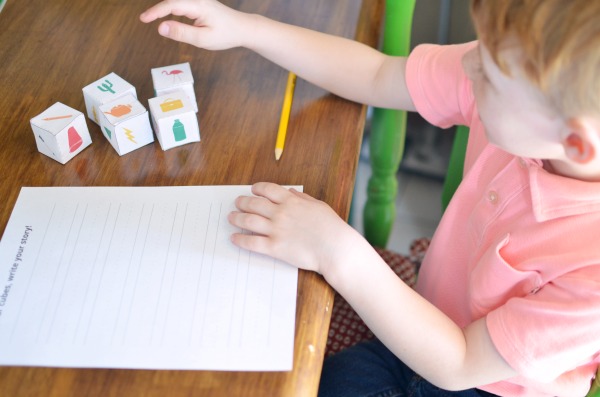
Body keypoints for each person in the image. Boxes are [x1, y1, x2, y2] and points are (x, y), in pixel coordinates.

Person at [140, 1, 600, 395]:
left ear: (576, 143)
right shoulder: (521, 82)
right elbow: (380, 73)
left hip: (477, 378)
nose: (469, 65)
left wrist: (336, 249)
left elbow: (460, 364)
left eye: (490, 77)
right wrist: (246, 27)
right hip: (420, 325)